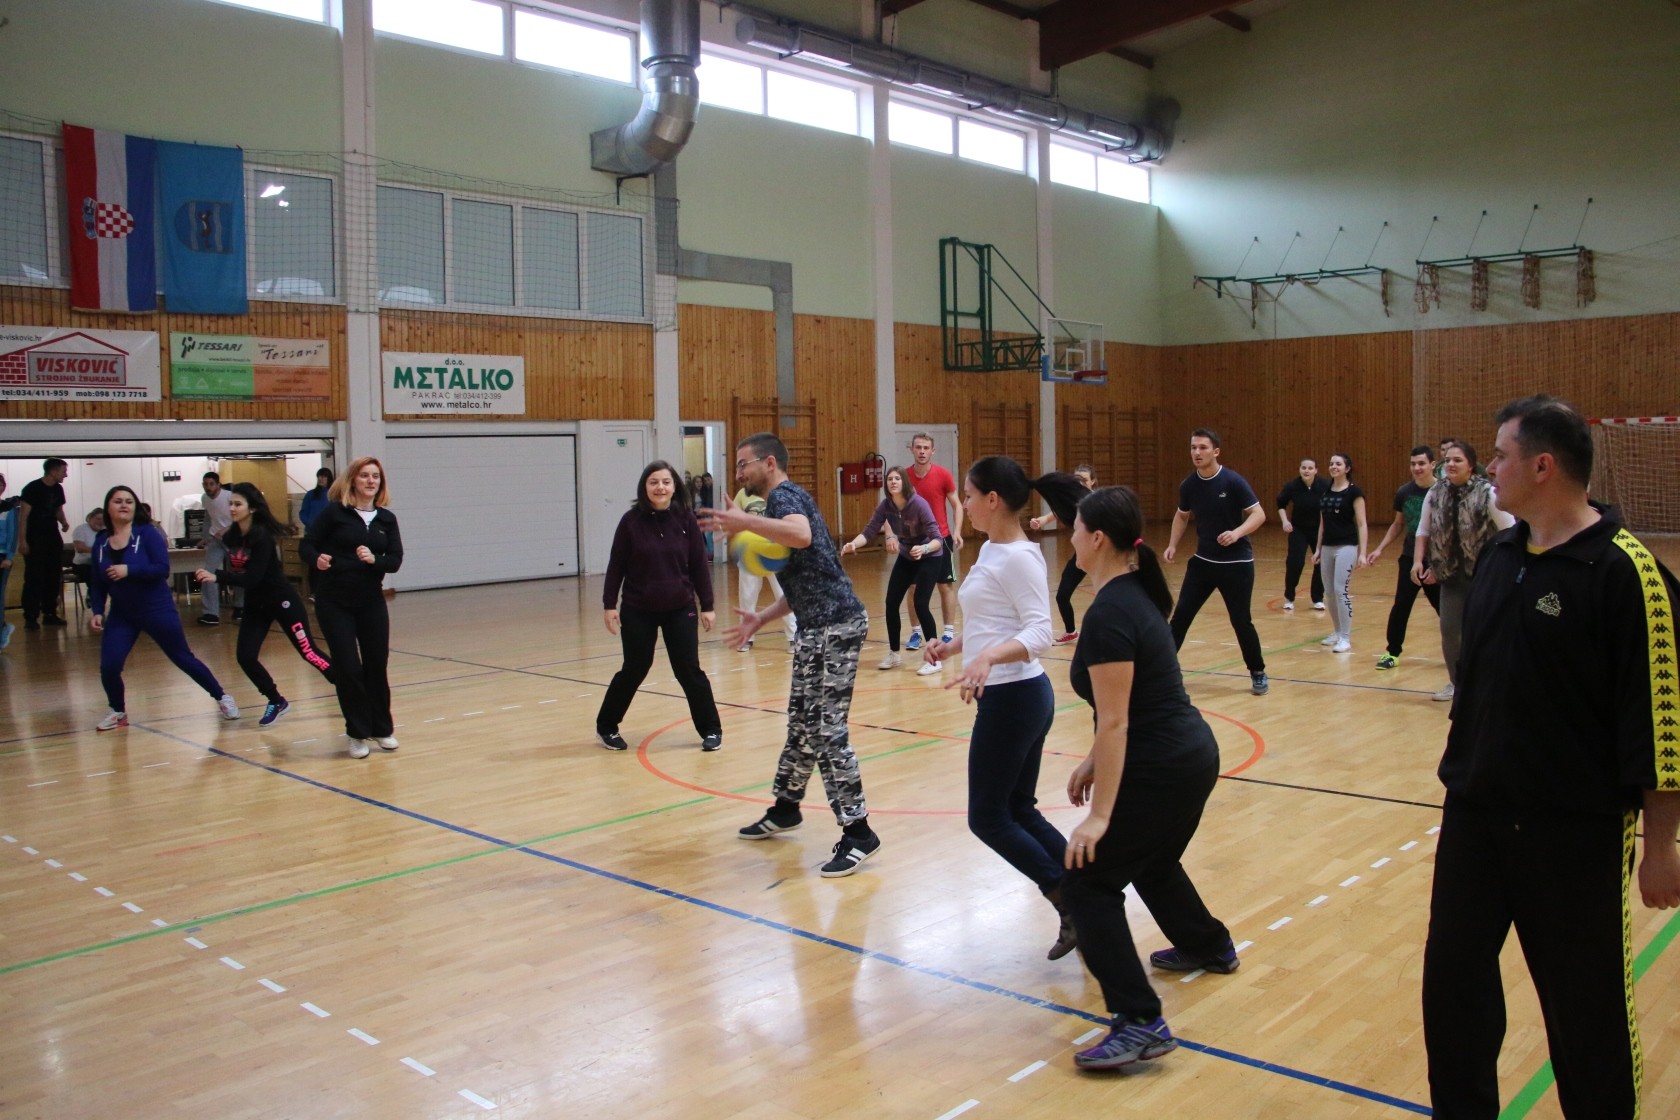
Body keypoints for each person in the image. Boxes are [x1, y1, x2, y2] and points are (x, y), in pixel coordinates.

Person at [1421, 394, 1680, 1119]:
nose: (1489, 470)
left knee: (1584, 1010)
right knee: (1454, 993)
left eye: (1500, 456)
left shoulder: (1629, 575)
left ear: (1542, 466)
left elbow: (1663, 728)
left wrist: (1661, 847)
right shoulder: (1500, 557)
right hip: (1475, 820)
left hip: (1574, 834)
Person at [1059, 484, 1238, 1071]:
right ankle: (1209, 945)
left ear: (1097, 539)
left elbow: (1116, 721)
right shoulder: (1132, 593)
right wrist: (1092, 760)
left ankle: (1139, 1021)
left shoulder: (1111, 612)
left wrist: (1100, 817)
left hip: (1164, 764)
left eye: (1076, 528)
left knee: (1088, 883)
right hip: (1188, 756)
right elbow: (1127, 708)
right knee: (1154, 861)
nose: (1070, 536)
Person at [923, 458, 1086, 960]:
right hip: (1012, 697)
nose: (965, 504)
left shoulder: (1019, 557)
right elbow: (994, 621)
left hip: (1017, 698)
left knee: (988, 817)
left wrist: (989, 657)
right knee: (1017, 809)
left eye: (970, 495)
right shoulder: (993, 548)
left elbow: (1040, 632)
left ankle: (1067, 897)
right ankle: (1089, 891)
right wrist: (955, 648)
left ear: (993, 500)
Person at [699, 433, 880, 878]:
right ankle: (786, 808)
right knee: (801, 722)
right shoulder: (781, 503)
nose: (738, 473)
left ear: (769, 463)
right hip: (817, 626)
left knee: (826, 729)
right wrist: (761, 618)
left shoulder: (784, 497)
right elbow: (808, 578)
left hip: (836, 625)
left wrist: (745, 522)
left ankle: (859, 832)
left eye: (743, 464)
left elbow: (800, 535)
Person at [87, 485, 240, 731]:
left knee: (182, 657)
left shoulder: (147, 534)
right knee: (109, 665)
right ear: (108, 507)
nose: (124, 505)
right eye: (118, 501)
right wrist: (97, 610)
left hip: (156, 609)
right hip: (122, 614)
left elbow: (161, 569)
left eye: (129, 501)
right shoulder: (101, 542)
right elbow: (97, 581)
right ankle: (117, 711)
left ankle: (222, 697)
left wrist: (130, 570)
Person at [596, 460, 723, 753]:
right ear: (645, 487)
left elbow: (698, 566)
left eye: (666, 482)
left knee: (688, 670)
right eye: (653, 482)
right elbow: (616, 565)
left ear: (674, 486)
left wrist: (707, 605)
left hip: (680, 608)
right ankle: (607, 726)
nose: (660, 487)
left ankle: (711, 729)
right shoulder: (630, 522)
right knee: (635, 668)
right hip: (638, 608)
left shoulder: (687, 520)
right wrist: (609, 604)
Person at [195, 482, 334, 728]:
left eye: (238, 504)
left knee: (309, 652)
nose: (232, 508)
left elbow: (252, 578)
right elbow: (243, 574)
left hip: (282, 601)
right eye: (230, 504)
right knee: (245, 657)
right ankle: (276, 700)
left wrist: (217, 576)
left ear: (252, 508)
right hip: (256, 604)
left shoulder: (262, 537)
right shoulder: (233, 535)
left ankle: (349, 686)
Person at [300, 456, 403, 759]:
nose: (371, 481)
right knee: (348, 667)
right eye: (364, 475)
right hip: (335, 601)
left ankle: (381, 728)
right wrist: (317, 559)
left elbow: (395, 560)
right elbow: (307, 545)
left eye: (375, 476)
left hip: (371, 601)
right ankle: (357, 732)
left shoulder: (387, 520)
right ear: (352, 480)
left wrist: (375, 560)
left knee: (376, 665)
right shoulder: (335, 513)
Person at [1162, 430, 1270, 695]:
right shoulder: (1189, 485)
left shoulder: (1233, 481)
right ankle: (1159, 671)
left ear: (1216, 451)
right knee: (1180, 617)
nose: (1197, 452)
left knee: (1241, 621)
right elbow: (1182, 515)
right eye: (1193, 447)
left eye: (1203, 447)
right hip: (1203, 563)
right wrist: (1173, 544)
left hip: (1237, 564)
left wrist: (1237, 533)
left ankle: (1257, 672)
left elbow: (1258, 514)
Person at [1412, 440, 1513, 703]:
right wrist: (1419, 561)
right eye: (1448, 460)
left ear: (1471, 465)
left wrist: (1505, 566)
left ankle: (1489, 682)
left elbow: (1509, 529)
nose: (1451, 464)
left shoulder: (1487, 493)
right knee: (1450, 631)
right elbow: (1424, 529)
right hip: (1450, 575)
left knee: (1484, 632)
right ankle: (1457, 683)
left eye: (1457, 460)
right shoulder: (1435, 492)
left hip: (1483, 576)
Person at [841, 466, 943, 674]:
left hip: (929, 556)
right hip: (907, 556)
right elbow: (869, 531)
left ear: (904, 482)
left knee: (920, 603)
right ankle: (894, 654)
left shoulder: (919, 504)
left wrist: (924, 548)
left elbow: (938, 539)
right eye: (890, 479)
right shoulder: (886, 506)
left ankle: (935, 659)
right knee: (891, 602)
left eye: (897, 478)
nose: (893, 482)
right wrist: (853, 544)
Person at [1369, 447, 1441, 670]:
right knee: (1401, 605)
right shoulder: (1404, 492)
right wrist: (1380, 548)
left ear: (1433, 465)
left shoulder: (1443, 491)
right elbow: (1398, 524)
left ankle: (1464, 651)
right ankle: (1392, 652)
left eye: (1421, 463)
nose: (1417, 468)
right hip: (1411, 558)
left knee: (1445, 609)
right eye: (1413, 464)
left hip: (1438, 561)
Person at [901, 432, 964, 654]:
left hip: (941, 538)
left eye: (926, 448)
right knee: (913, 587)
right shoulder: (904, 477)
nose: (922, 451)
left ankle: (948, 631)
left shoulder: (943, 475)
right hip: (913, 541)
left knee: (944, 585)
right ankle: (916, 632)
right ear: (912, 449)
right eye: (918, 447)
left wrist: (957, 531)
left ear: (932, 451)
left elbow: (957, 504)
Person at [1028, 463, 1097, 642]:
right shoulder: (1073, 502)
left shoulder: (1098, 502)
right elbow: (1058, 513)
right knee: (1062, 595)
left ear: (1093, 482)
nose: (1080, 483)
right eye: (1076, 480)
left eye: (1084, 480)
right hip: (1082, 554)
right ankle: (1071, 631)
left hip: (1101, 555)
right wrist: (1043, 520)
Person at [1312, 452, 1369, 654]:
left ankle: (1345, 637)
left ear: (1347, 468)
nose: (1334, 466)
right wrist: (1318, 549)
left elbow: (1362, 523)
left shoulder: (1354, 492)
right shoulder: (1326, 491)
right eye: (1331, 463)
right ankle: (1337, 632)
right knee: (1328, 592)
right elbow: (1322, 523)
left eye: (1338, 464)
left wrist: (1362, 552)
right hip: (1327, 546)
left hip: (1347, 546)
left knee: (1340, 590)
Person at [728, 484, 794, 652]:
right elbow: (732, 519)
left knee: (785, 595)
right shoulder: (743, 493)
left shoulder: (779, 492)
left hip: (775, 552)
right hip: (750, 553)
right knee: (747, 596)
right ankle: (746, 637)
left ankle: (794, 637)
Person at [18, 457, 71, 630]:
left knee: (53, 575)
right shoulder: (32, 488)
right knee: (34, 577)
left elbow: (58, 510)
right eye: (63, 471)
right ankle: (31, 616)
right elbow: (23, 517)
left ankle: (50, 613)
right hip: (35, 538)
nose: (65, 475)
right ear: (53, 471)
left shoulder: (58, 489)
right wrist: (22, 541)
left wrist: (64, 522)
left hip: (52, 536)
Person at [1274, 458, 1328, 611]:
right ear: (1300, 469)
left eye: (1310, 468)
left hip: (1319, 529)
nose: (1306, 471)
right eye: (1304, 468)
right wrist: (1285, 521)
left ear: (1316, 470)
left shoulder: (1324, 485)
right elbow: (1281, 504)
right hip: (1299, 530)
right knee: (1295, 562)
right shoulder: (1292, 486)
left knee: (1321, 562)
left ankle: (1317, 598)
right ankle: (1289, 597)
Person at [197, 471, 242, 626]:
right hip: (216, 540)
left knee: (237, 571)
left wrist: (227, 529)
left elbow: (241, 517)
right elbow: (209, 517)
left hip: (234, 538)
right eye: (205, 484)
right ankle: (211, 613)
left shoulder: (230, 497)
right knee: (208, 573)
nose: (208, 487)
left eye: (211, 484)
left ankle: (240, 607)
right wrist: (205, 537)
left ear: (218, 484)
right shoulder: (205, 498)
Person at [0, 474, 18, 649]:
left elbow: (13, 535)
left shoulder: (8, 509)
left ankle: (1, 630)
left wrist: (9, 557)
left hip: (2, 556)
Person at [71, 507, 104, 590]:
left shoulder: (106, 531)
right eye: (98, 519)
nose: (100, 522)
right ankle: (93, 595)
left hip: (101, 563)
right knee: (94, 574)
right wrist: (99, 551)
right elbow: (80, 548)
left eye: (103, 519)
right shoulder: (81, 529)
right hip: (83, 565)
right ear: (90, 518)